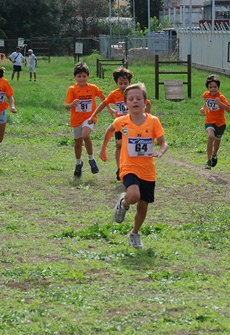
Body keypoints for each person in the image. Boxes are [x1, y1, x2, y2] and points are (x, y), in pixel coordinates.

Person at [99, 83, 168, 249]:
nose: (135, 101)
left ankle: (135, 233)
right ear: (126, 103)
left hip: (148, 170)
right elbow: (109, 131)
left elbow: (163, 142)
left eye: (138, 98)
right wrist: (103, 150)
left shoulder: (153, 121)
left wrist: (161, 151)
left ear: (145, 102)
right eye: (131, 99)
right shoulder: (121, 121)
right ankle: (124, 203)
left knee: (143, 207)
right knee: (134, 195)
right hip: (128, 166)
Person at [87, 67, 151, 180]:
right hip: (121, 125)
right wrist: (93, 115)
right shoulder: (114, 94)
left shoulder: (134, 94)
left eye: (125, 83)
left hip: (134, 125)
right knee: (119, 145)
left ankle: (135, 169)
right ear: (116, 83)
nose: (123, 86)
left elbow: (148, 103)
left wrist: (145, 117)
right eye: (120, 83)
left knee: (133, 147)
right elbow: (103, 104)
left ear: (129, 83)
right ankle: (119, 169)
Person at [65, 62, 108, 178]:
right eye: (79, 76)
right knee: (78, 143)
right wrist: (72, 104)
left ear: (88, 76)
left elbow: (103, 97)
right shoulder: (72, 89)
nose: (82, 79)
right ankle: (78, 163)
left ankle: (91, 159)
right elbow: (67, 105)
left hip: (89, 117)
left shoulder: (92, 88)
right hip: (76, 119)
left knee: (85, 135)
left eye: (84, 76)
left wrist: (109, 108)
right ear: (75, 77)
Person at [200, 74, 230, 169]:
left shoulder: (221, 97)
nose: (213, 89)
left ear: (218, 87)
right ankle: (209, 160)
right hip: (209, 121)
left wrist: (220, 103)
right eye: (210, 87)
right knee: (210, 137)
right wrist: (203, 108)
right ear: (208, 88)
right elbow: (206, 101)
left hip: (220, 124)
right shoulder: (206, 95)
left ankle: (214, 155)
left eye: (215, 87)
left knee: (217, 143)